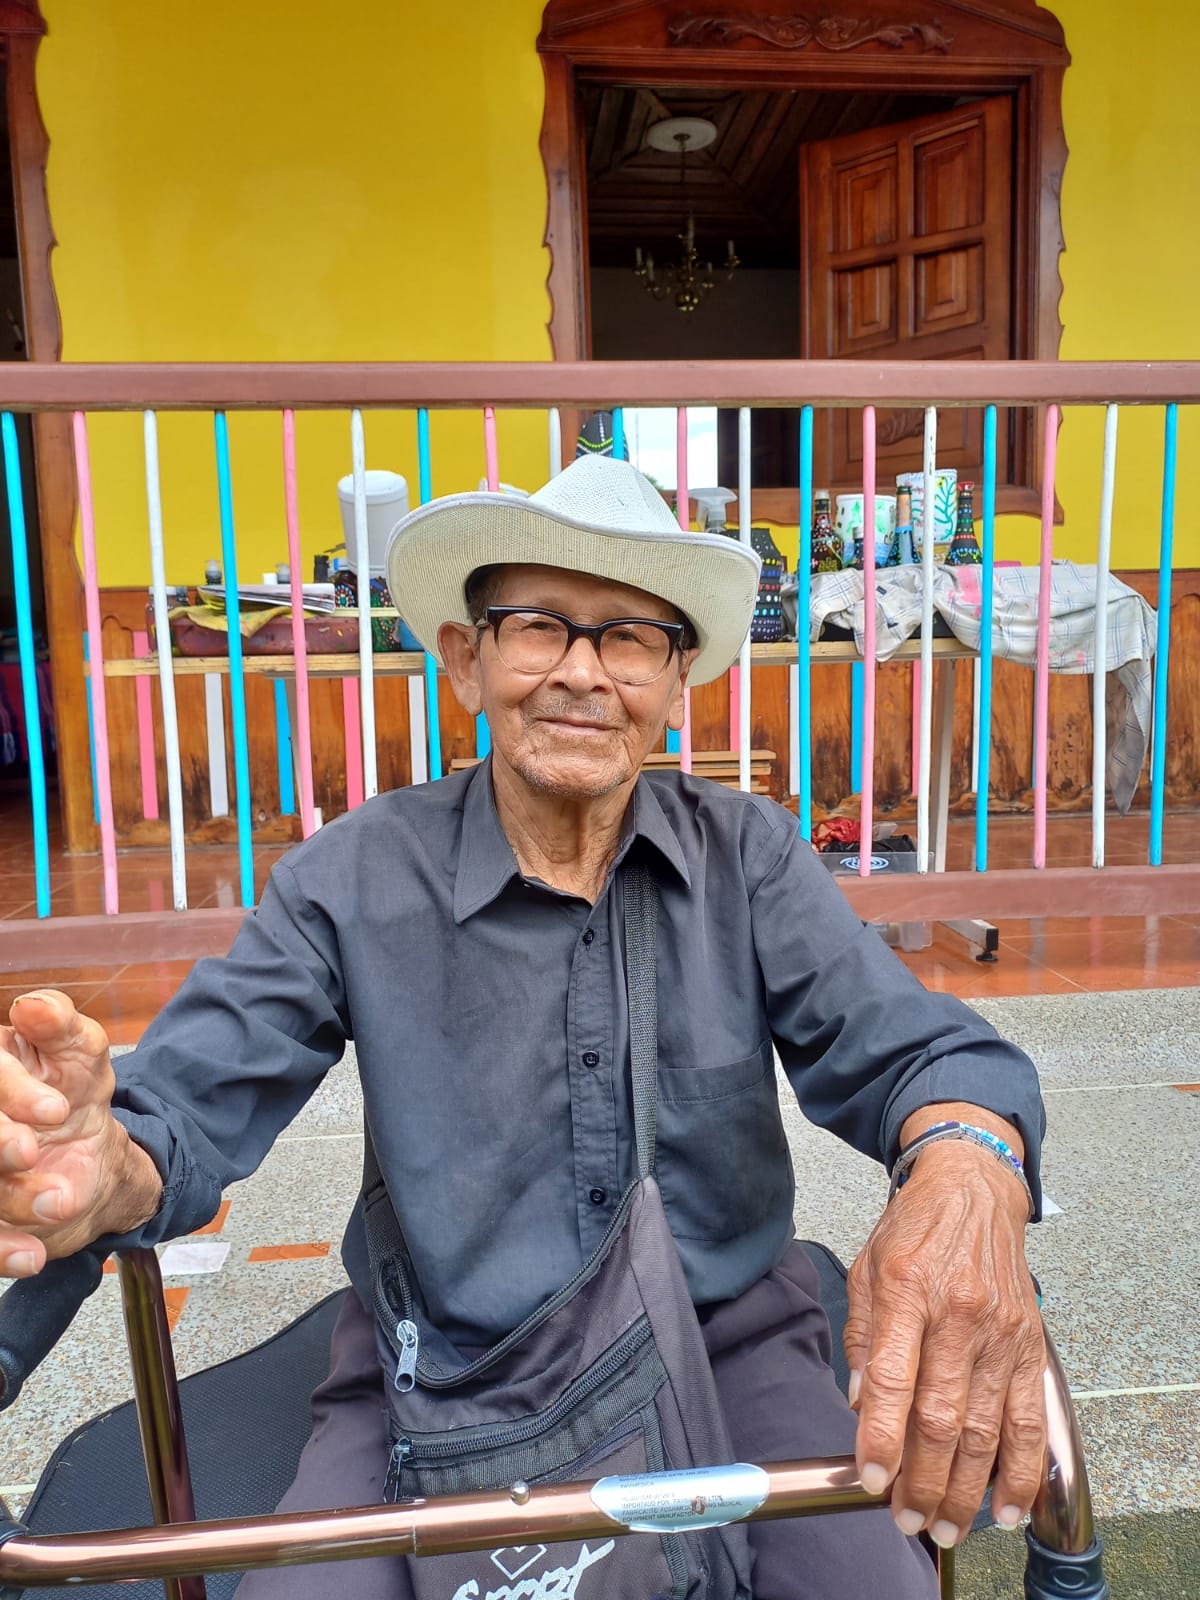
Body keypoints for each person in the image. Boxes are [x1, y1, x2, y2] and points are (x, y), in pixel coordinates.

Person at [0, 456, 1046, 1600]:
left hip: (726, 1337)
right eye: (538, 625)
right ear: (467, 659)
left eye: (631, 637)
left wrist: (967, 1168)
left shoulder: (747, 855)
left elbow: (917, 1052)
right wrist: (107, 1163)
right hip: (441, 1359)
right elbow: (186, 1108)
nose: (584, 673)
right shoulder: (352, 876)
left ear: (675, 675)